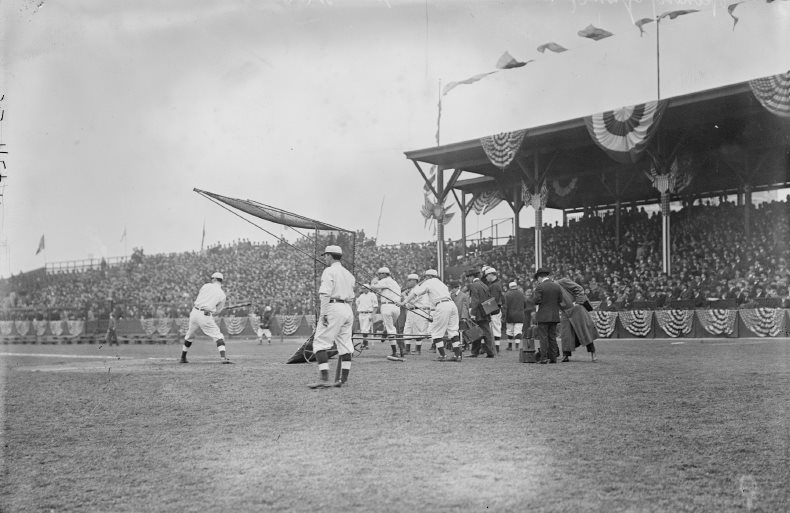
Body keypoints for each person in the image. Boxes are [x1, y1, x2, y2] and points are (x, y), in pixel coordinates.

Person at [308, 245, 356, 389]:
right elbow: (352, 297)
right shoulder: (349, 274)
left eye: (325, 256)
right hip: (347, 308)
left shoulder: (329, 271)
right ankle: (343, 380)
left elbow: (325, 294)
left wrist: (323, 314)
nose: (325, 258)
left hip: (333, 307)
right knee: (346, 345)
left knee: (320, 343)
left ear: (329, 255)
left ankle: (324, 378)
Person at [403, 269, 462, 361]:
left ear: (429, 276)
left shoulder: (429, 282)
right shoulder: (441, 284)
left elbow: (415, 293)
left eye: (425, 277)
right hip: (451, 305)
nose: (424, 279)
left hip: (441, 305)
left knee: (436, 332)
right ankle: (457, 355)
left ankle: (443, 355)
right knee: (453, 331)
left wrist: (404, 302)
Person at [180, 271, 231, 364]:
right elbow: (217, 311)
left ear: (215, 279)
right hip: (205, 315)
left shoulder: (205, 286)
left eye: (212, 279)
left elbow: (201, 298)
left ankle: (183, 357)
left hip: (194, 312)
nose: (211, 280)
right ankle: (223, 358)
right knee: (219, 336)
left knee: (189, 335)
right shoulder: (222, 295)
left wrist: (211, 308)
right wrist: (213, 309)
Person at [557, 276, 598, 362]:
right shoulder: (549, 288)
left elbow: (579, 288)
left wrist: (578, 302)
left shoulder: (562, 281)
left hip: (577, 309)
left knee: (585, 331)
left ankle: (593, 353)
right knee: (566, 334)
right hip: (565, 312)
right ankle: (566, 355)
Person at [369, 266, 404, 359]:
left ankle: (394, 352)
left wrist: (374, 280)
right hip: (396, 307)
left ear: (384, 274)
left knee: (391, 329)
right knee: (391, 327)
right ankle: (385, 331)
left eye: (379, 274)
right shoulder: (395, 282)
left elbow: (372, 287)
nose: (378, 276)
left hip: (387, 306)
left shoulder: (386, 280)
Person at [533, 267, 562, 364]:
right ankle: (553, 358)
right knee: (552, 338)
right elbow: (560, 300)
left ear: (539, 277)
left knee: (543, 338)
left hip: (543, 316)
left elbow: (536, 301)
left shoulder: (540, 287)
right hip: (554, 316)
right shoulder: (557, 286)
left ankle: (544, 358)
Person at [466, 268, 495, 358]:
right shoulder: (484, 285)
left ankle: (475, 352)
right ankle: (489, 352)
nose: (468, 279)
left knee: (475, 332)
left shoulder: (473, 285)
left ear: (472, 276)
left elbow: (475, 300)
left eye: (468, 277)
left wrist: (473, 313)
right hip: (486, 311)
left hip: (478, 313)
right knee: (486, 332)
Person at [401, 273, 430, 355]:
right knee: (407, 329)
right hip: (410, 311)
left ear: (415, 281)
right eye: (408, 281)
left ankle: (418, 349)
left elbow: (412, 301)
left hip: (418, 311)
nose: (408, 282)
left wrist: (404, 296)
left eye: (410, 281)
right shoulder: (412, 290)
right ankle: (407, 349)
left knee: (418, 330)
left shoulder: (420, 289)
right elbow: (408, 304)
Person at [484, 267, 505, 353]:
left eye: (486, 275)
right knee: (495, 328)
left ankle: (496, 349)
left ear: (491, 274)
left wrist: (485, 309)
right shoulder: (496, 284)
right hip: (495, 309)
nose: (486, 277)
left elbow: (494, 299)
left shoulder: (495, 285)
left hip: (494, 309)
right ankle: (495, 348)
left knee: (496, 329)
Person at [503, 281, 527, 351]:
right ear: (516, 286)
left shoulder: (507, 294)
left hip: (510, 315)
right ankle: (517, 346)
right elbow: (525, 304)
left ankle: (510, 346)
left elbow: (505, 306)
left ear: (510, 287)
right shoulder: (521, 294)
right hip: (520, 315)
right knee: (518, 331)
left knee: (510, 331)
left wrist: (504, 316)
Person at [355, 284, 378, 349]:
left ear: (368, 288)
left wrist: (372, 315)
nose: (363, 289)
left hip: (368, 313)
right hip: (361, 313)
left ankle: (365, 344)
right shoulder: (361, 296)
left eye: (364, 288)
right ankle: (365, 344)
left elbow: (375, 306)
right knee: (363, 329)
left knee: (365, 329)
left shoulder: (372, 295)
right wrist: (358, 311)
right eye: (362, 288)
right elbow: (357, 302)